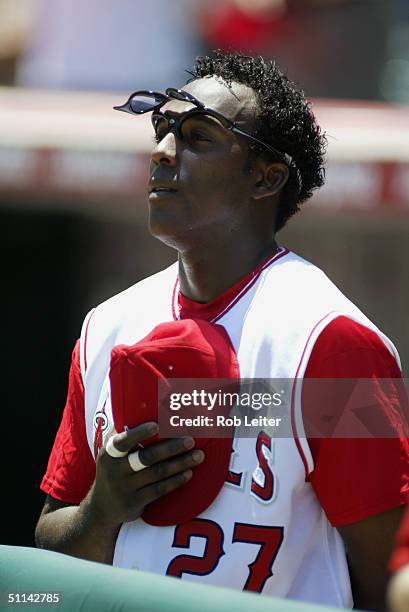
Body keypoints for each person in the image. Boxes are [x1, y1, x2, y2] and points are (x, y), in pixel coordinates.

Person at [35, 51, 409, 610]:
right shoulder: (106, 326)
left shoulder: (329, 339)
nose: (162, 151)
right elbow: (45, 565)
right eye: (162, 129)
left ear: (267, 177)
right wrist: (100, 510)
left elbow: (390, 580)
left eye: (197, 136)